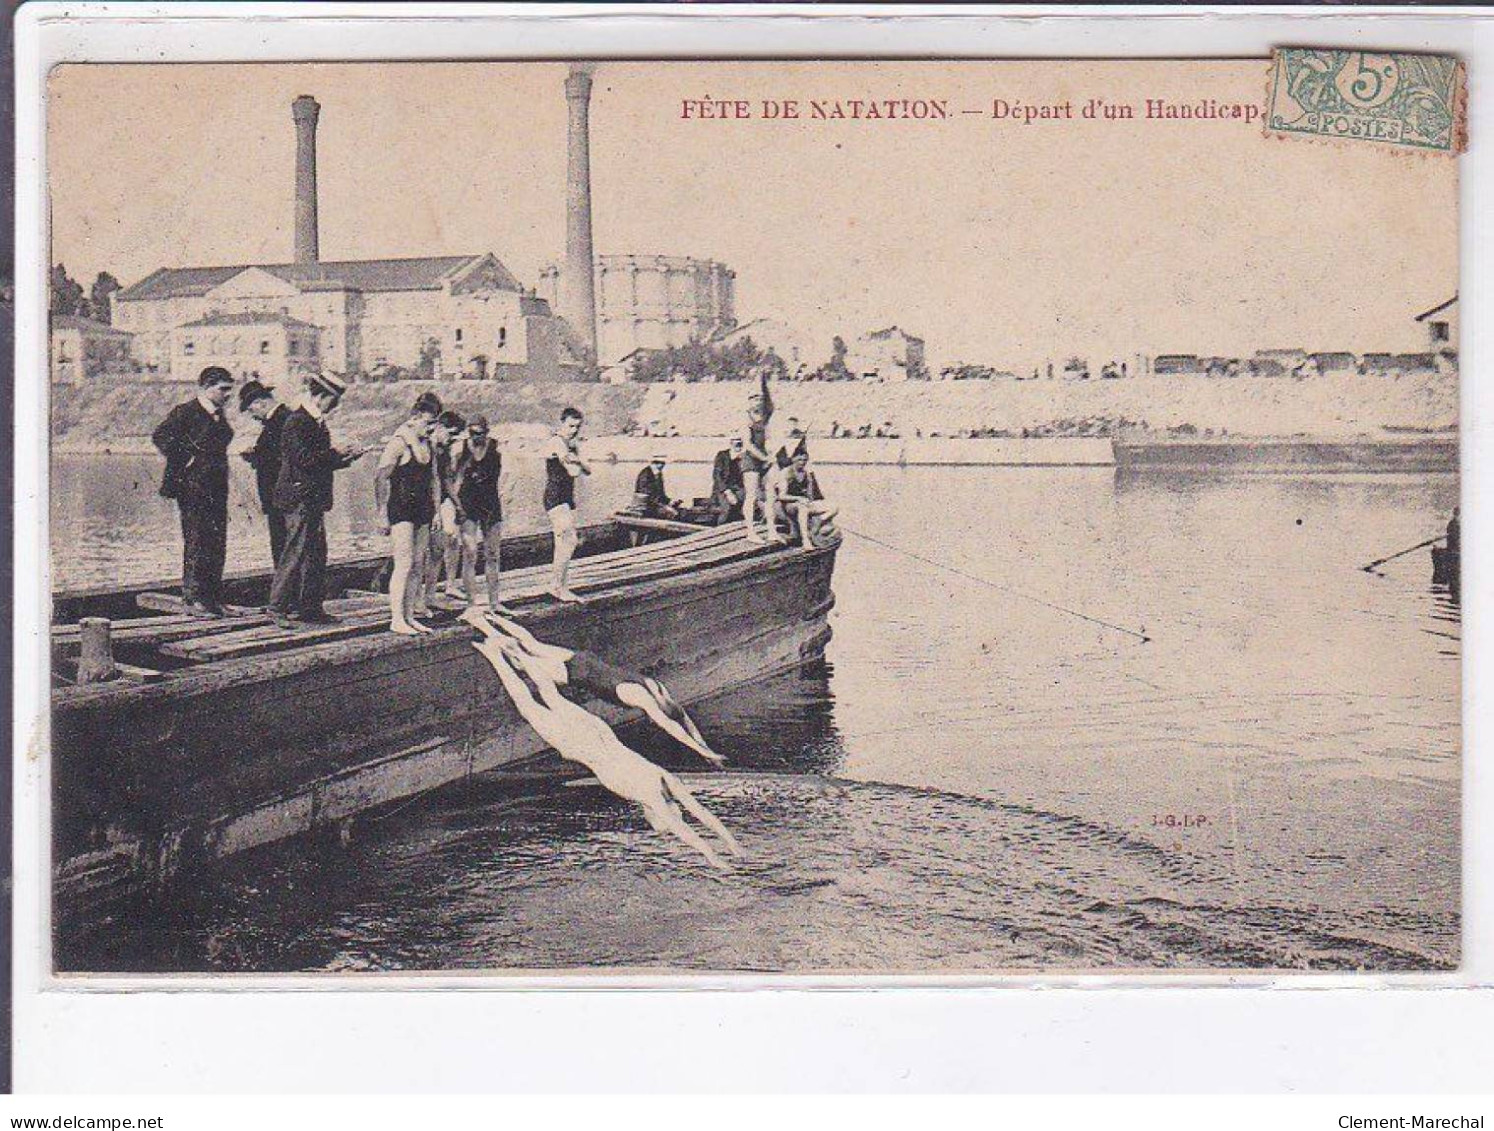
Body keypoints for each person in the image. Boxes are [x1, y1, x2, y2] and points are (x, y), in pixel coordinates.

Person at [473, 635, 742, 870]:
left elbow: (703, 816)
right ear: (658, 813)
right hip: (580, 745)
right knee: (528, 706)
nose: (650, 820)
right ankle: (495, 655)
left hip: (600, 733)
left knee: (552, 696)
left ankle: (514, 652)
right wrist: (712, 858)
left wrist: (732, 845)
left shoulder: (663, 778)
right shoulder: (650, 796)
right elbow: (687, 832)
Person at [463, 608, 724, 766]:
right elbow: (670, 725)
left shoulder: (657, 688)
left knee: (531, 644)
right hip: (576, 673)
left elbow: (681, 718)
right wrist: (698, 750)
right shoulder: (642, 697)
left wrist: (705, 747)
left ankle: (488, 616)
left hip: (584, 659)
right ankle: (482, 625)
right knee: (522, 661)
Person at [268, 371, 363, 628]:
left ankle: (310, 608)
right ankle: (277, 607)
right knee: (295, 552)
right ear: (320, 396)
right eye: (333, 399)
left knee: (316, 554)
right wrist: (336, 453)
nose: (336, 406)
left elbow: (318, 463)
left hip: (313, 499)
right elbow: (305, 460)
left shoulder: (315, 422)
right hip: (299, 498)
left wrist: (345, 459)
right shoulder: (296, 421)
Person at [151, 365, 236, 617]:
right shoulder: (185, 412)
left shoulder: (218, 414)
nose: (228, 395)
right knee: (197, 541)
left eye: (230, 390)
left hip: (216, 489)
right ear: (206, 387)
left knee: (217, 542)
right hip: (192, 488)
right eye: (223, 389)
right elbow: (161, 436)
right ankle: (194, 598)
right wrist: (186, 459)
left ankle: (212, 599)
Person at [375, 392, 442, 635]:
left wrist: (437, 512)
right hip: (401, 508)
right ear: (414, 418)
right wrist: (381, 511)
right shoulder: (399, 442)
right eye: (427, 423)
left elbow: (434, 479)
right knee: (403, 564)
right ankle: (396, 618)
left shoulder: (429, 445)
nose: (431, 428)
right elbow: (381, 477)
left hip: (423, 508)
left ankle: (410, 615)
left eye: (435, 424)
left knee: (417, 564)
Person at [453, 412, 509, 613]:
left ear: (487, 432)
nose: (476, 437)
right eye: (472, 433)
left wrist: (506, 498)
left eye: (480, 433)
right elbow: (453, 479)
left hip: (490, 503)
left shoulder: (496, 448)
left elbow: (507, 475)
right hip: (468, 503)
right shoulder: (461, 450)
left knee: (493, 554)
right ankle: (472, 604)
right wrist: (455, 506)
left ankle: (495, 603)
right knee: (470, 554)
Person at [238, 379, 291, 570]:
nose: (253, 416)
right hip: (279, 499)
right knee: (284, 549)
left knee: (283, 549)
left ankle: (285, 595)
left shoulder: (282, 421)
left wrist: (256, 456)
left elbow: (283, 459)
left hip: (281, 498)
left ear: (261, 402)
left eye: (251, 410)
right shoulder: (277, 421)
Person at [545, 405, 591, 603]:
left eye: (577, 427)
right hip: (555, 496)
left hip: (566, 497)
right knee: (569, 540)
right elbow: (574, 471)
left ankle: (559, 585)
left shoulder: (573, 445)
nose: (574, 430)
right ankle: (558, 587)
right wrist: (577, 462)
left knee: (562, 542)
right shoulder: (556, 442)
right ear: (562, 423)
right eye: (571, 426)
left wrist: (578, 460)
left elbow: (588, 469)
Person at [426, 410, 467, 605]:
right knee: (435, 549)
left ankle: (450, 584)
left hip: (442, 499)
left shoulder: (445, 449)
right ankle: (428, 594)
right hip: (426, 502)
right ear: (439, 428)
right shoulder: (428, 446)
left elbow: (448, 480)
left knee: (452, 538)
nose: (452, 440)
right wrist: (435, 513)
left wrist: (458, 505)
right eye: (450, 434)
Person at [739, 368, 781, 544]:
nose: (758, 401)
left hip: (764, 459)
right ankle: (750, 531)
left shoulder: (764, 418)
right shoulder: (745, 419)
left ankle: (771, 530)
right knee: (752, 496)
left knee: (771, 495)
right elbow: (748, 445)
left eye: (760, 398)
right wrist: (765, 459)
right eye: (754, 398)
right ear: (749, 402)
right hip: (751, 460)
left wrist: (763, 379)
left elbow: (770, 402)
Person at [776, 448, 838, 547]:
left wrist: (811, 502)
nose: (802, 463)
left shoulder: (807, 474)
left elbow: (810, 495)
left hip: (804, 503)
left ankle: (816, 525)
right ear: (793, 459)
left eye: (805, 460)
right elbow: (782, 496)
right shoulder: (785, 472)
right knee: (802, 508)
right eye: (799, 460)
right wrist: (798, 498)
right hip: (789, 505)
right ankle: (806, 540)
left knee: (833, 507)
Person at [710, 436, 746, 525]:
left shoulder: (744, 457)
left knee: (747, 507)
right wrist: (727, 492)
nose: (738, 447)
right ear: (731, 444)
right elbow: (717, 476)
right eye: (736, 444)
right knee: (726, 509)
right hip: (724, 489)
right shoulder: (722, 456)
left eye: (740, 444)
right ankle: (719, 530)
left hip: (739, 488)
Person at [632, 454, 679, 519]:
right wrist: (663, 505)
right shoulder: (645, 474)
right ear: (654, 463)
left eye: (663, 463)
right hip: (644, 506)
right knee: (673, 513)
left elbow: (660, 493)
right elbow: (646, 493)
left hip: (654, 504)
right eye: (661, 463)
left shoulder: (658, 474)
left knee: (678, 511)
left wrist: (668, 501)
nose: (663, 465)